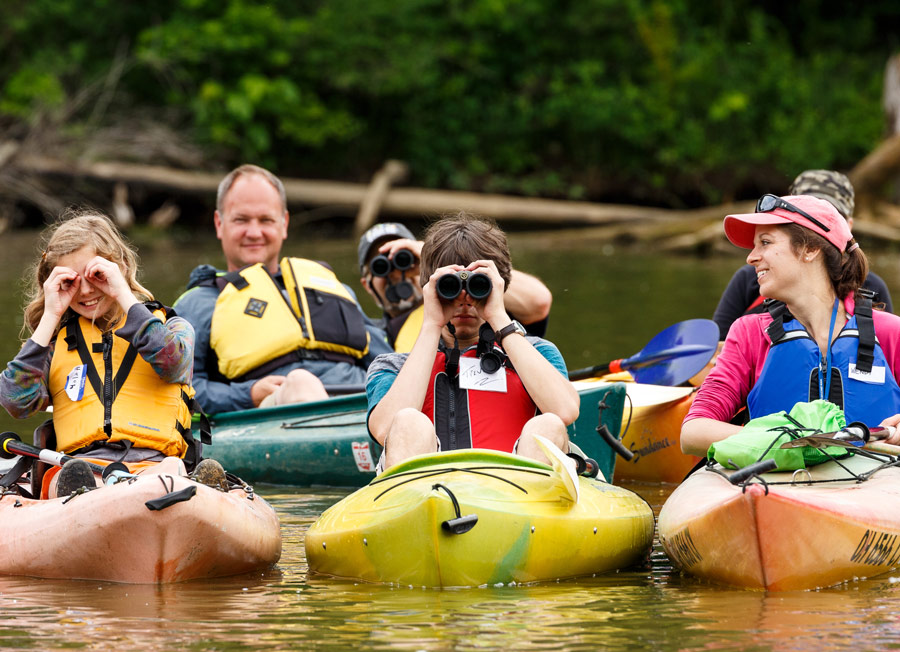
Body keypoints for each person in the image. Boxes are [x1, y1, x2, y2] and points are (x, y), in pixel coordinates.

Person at [0, 212, 211, 498]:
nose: (85, 290)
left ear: (120, 268)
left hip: (154, 465)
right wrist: (51, 315)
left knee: (172, 469)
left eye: (96, 276)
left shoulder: (173, 328)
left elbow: (174, 365)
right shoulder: (53, 346)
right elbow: (15, 401)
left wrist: (124, 294)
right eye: (71, 282)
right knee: (74, 477)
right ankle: (88, 497)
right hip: (79, 470)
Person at [682, 194, 900, 457]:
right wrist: (788, 440)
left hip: (875, 485)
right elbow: (692, 433)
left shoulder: (890, 332)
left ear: (810, 249)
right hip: (775, 483)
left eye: (765, 242)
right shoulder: (749, 334)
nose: (751, 258)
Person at [366, 212, 579, 470]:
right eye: (450, 288)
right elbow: (384, 429)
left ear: (499, 288)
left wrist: (498, 316)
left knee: (549, 424)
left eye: (479, 287)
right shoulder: (392, 367)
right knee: (409, 422)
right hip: (427, 495)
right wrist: (432, 323)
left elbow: (565, 411)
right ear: (429, 288)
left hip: (519, 493)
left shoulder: (537, 352)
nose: (464, 301)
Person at [174, 164, 392, 415]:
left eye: (266, 220)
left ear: (284, 223)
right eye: (241, 220)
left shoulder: (335, 288)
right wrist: (247, 394)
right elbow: (181, 388)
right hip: (276, 416)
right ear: (219, 223)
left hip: (361, 404)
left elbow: (387, 364)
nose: (254, 232)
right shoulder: (198, 302)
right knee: (301, 382)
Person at [712, 170, 893, 340]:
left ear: (849, 225)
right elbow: (717, 349)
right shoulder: (748, 298)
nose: (815, 226)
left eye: (829, 215)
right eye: (806, 215)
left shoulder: (875, 299)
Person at [357, 221, 553, 352]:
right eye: (381, 267)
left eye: (403, 259)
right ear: (366, 285)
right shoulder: (367, 336)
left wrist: (438, 260)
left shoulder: (477, 307)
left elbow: (538, 301)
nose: (395, 275)